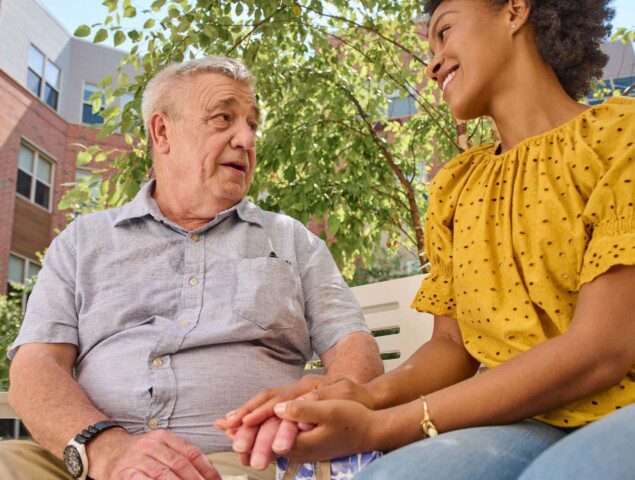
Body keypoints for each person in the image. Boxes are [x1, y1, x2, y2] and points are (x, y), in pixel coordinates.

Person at [218, 1, 635, 478]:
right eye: (429, 46)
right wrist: (362, 395)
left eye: (445, 31)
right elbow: (452, 346)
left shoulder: (620, 135)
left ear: (516, 10)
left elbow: (601, 351)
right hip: (516, 419)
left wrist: (384, 426)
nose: (432, 63)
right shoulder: (457, 186)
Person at [0, 56, 383, 480]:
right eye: (224, 119)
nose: (246, 139)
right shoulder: (82, 242)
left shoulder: (293, 241)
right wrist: (107, 449)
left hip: (241, 461)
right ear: (162, 131)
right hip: (94, 461)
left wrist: (308, 414)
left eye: (252, 125)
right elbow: (35, 367)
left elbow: (355, 350)